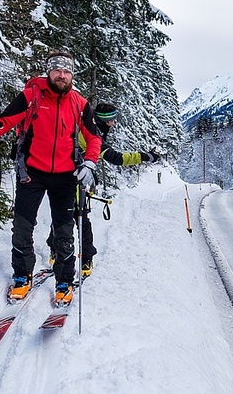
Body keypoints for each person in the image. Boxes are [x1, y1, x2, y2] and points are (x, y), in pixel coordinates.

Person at [0, 49, 103, 306]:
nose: (61, 75)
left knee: (64, 231)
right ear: (49, 71)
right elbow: (6, 120)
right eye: (57, 70)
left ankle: (64, 281)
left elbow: (94, 137)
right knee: (22, 227)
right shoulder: (31, 96)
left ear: (72, 75)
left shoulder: (80, 104)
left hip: (65, 175)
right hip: (31, 172)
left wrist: (90, 162)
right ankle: (21, 276)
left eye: (66, 71)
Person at [45, 102, 160, 278]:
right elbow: (117, 158)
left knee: (61, 217)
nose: (114, 123)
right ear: (104, 120)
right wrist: (144, 156)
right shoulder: (92, 134)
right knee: (81, 220)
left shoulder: (82, 126)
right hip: (75, 182)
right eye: (112, 119)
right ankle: (86, 259)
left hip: (59, 178)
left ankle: (55, 251)